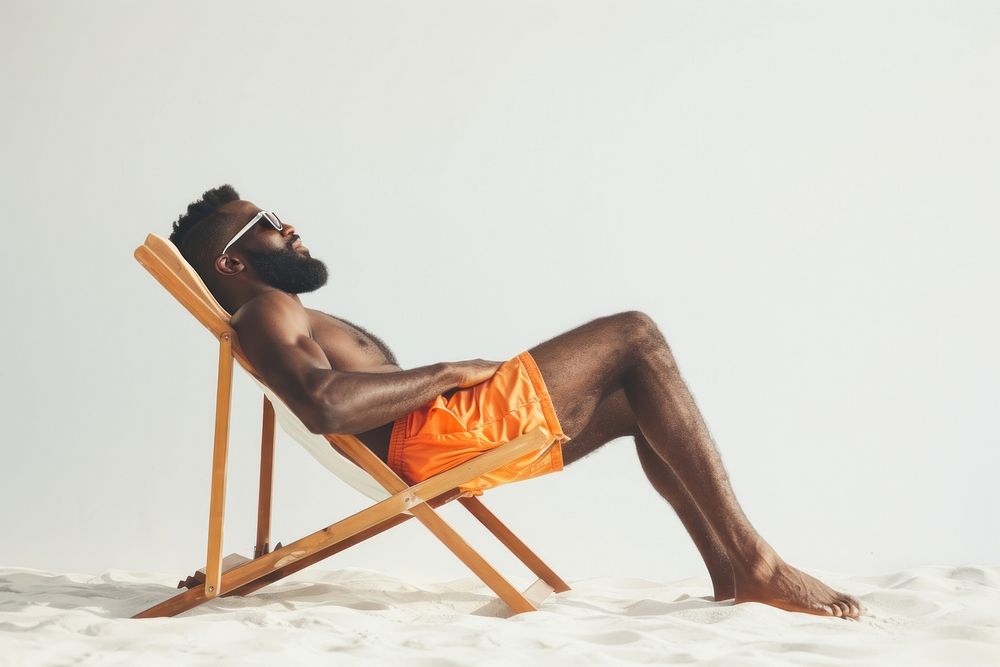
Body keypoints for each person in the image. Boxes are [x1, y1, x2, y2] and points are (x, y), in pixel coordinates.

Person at [168, 184, 863, 620]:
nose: (288, 227)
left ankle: (729, 573)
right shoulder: (266, 314)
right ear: (231, 263)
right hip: (430, 438)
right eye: (265, 222)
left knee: (631, 399)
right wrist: (449, 370)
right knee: (636, 335)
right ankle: (759, 564)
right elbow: (323, 405)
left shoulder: (275, 313)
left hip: (431, 436)